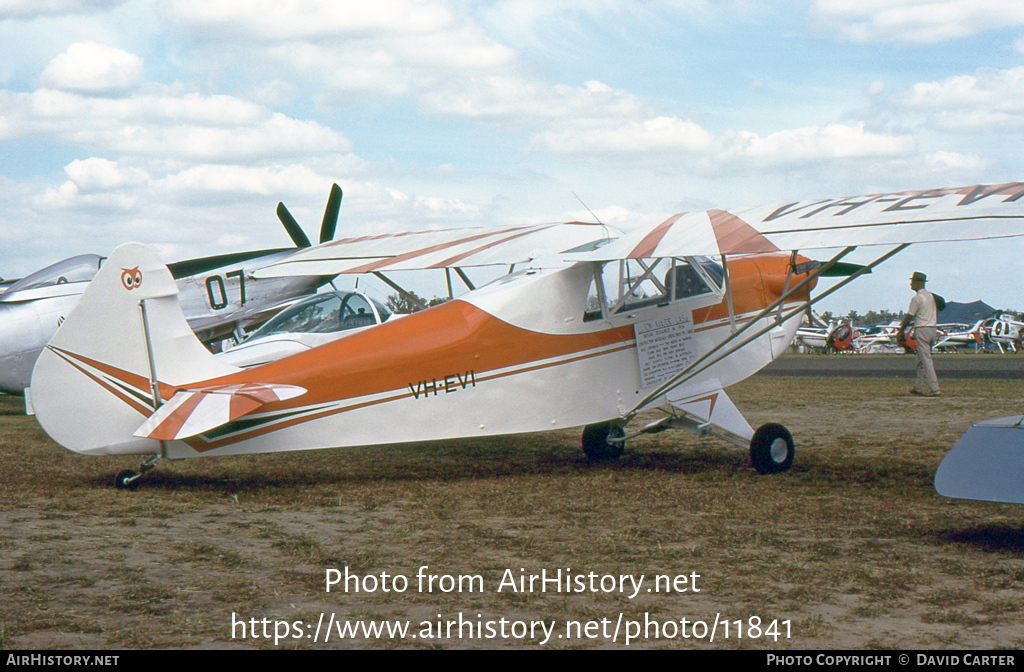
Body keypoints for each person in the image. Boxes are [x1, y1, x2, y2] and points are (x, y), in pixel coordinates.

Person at [900, 271, 940, 397]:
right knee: (921, 359)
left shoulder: (917, 299)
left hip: (922, 328)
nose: (910, 284)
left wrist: (901, 329)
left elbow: (909, 316)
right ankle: (917, 386)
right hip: (932, 328)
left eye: (912, 282)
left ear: (918, 283)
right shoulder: (931, 296)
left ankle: (935, 388)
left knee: (926, 359)